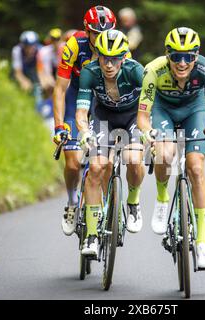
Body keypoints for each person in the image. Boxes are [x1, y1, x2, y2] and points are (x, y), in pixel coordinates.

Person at [137, 27, 205, 269]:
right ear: (167, 55)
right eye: (176, 56)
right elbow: (142, 116)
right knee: (165, 154)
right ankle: (163, 199)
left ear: (197, 56)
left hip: (193, 110)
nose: (182, 62)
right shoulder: (153, 70)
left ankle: (202, 241)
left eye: (188, 56)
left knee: (196, 168)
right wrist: (147, 133)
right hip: (162, 109)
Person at [75, 30, 145, 257]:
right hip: (103, 117)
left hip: (133, 116)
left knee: (133, 159)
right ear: (98, 55)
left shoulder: (136, 71)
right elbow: (82, 111)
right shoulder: (89, 72)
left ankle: (133, 203)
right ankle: (92, 235)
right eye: (104, 57)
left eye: (115, 58)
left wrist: (149, 130)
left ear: (124, 57)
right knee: (96, 167)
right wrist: (85, 132)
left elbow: (152, 104)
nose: (109, 64)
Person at [53, 6, 116, 236]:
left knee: (104, 164)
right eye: (96, 35)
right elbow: (60, 89)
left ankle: (108, 208)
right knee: (72, 163)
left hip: (102, 104)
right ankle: (71, 202)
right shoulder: (73, 45)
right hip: (74, 100)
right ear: (86, 31)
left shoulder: (119, 46)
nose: (101, 40)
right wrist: (59, 125)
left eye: (105, 33)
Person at [12, 30, 43, 105]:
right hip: (22, 71)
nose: (30, 49)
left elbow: (41, 70)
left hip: (35, 72)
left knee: (39, 86)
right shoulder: (17, 50)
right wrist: (23, 81)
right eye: (27, 46)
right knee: (23, 85)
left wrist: (41, 82)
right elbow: (17, 72)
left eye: (33, 46)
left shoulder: (41, 50)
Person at [37, 28, 63, 96]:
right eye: (53, 39)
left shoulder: (65, 49)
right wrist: (51, 84)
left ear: (61, 39)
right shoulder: (45, 51)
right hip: (50, 72)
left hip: (61, 73)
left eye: (58, 39)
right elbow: (46, 71)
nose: (55, 42)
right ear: (50, 40)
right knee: (46, 85)